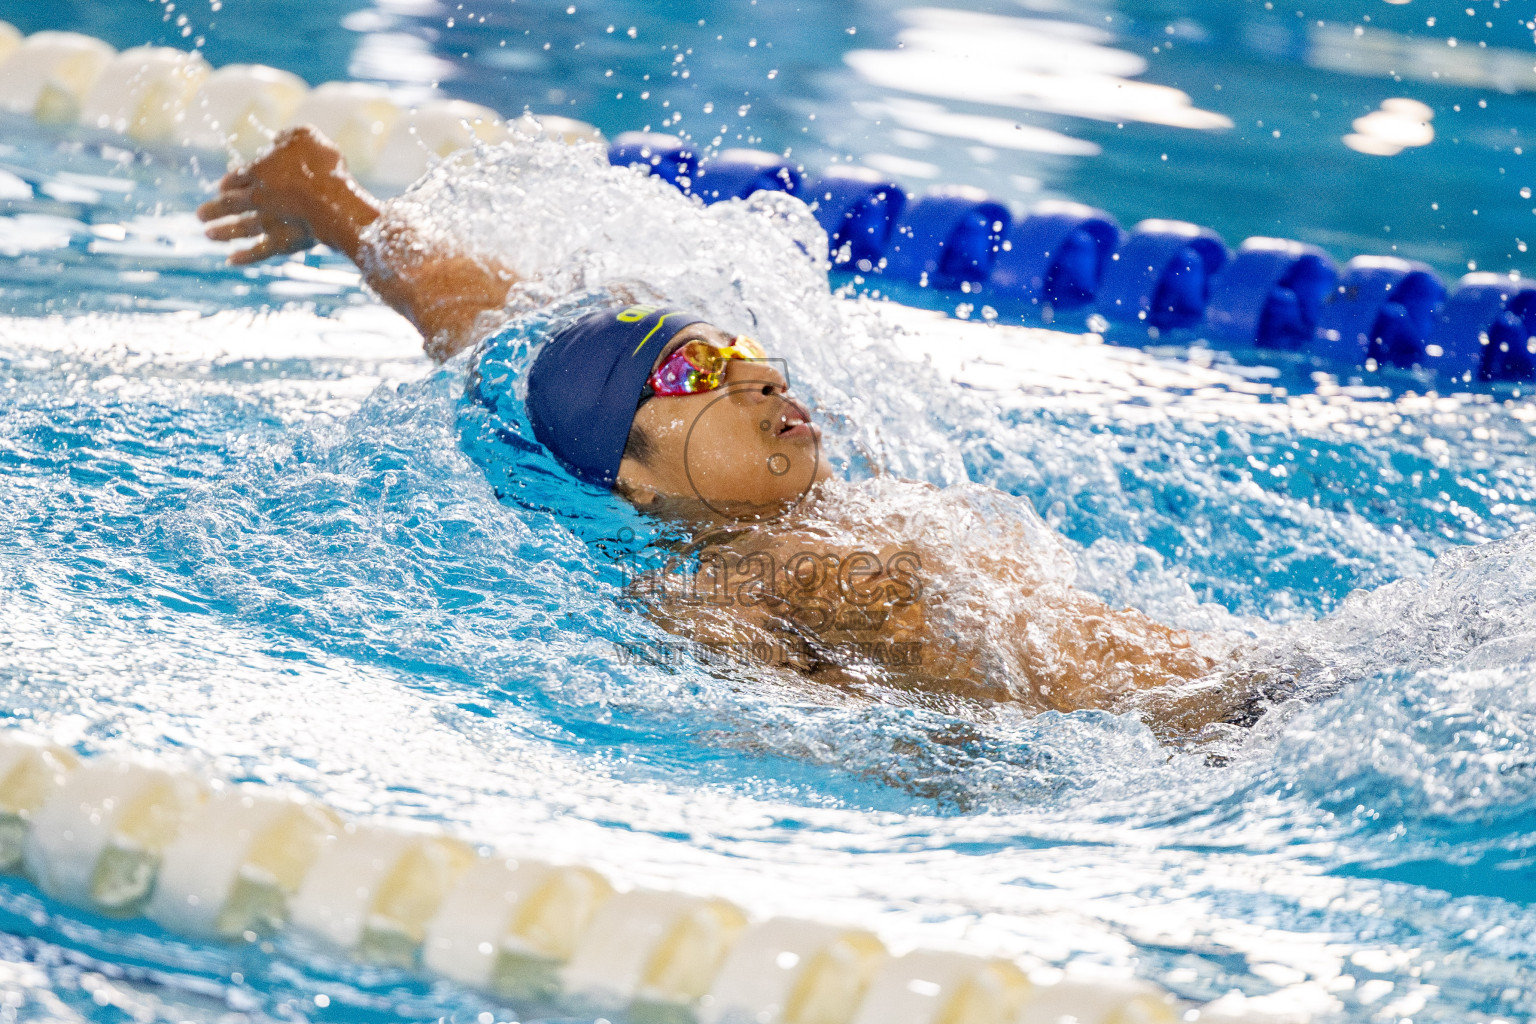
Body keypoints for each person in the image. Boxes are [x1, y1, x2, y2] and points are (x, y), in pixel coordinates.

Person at [197, 125, 1259, 742]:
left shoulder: (842, 504)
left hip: (1253, 684)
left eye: (754, 362)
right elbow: (840, 748)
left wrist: (330, 200)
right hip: (1211, 739)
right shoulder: (717, 590)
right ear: (636, 478)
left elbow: (491, 319)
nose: (757, 381)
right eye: (696, 374)